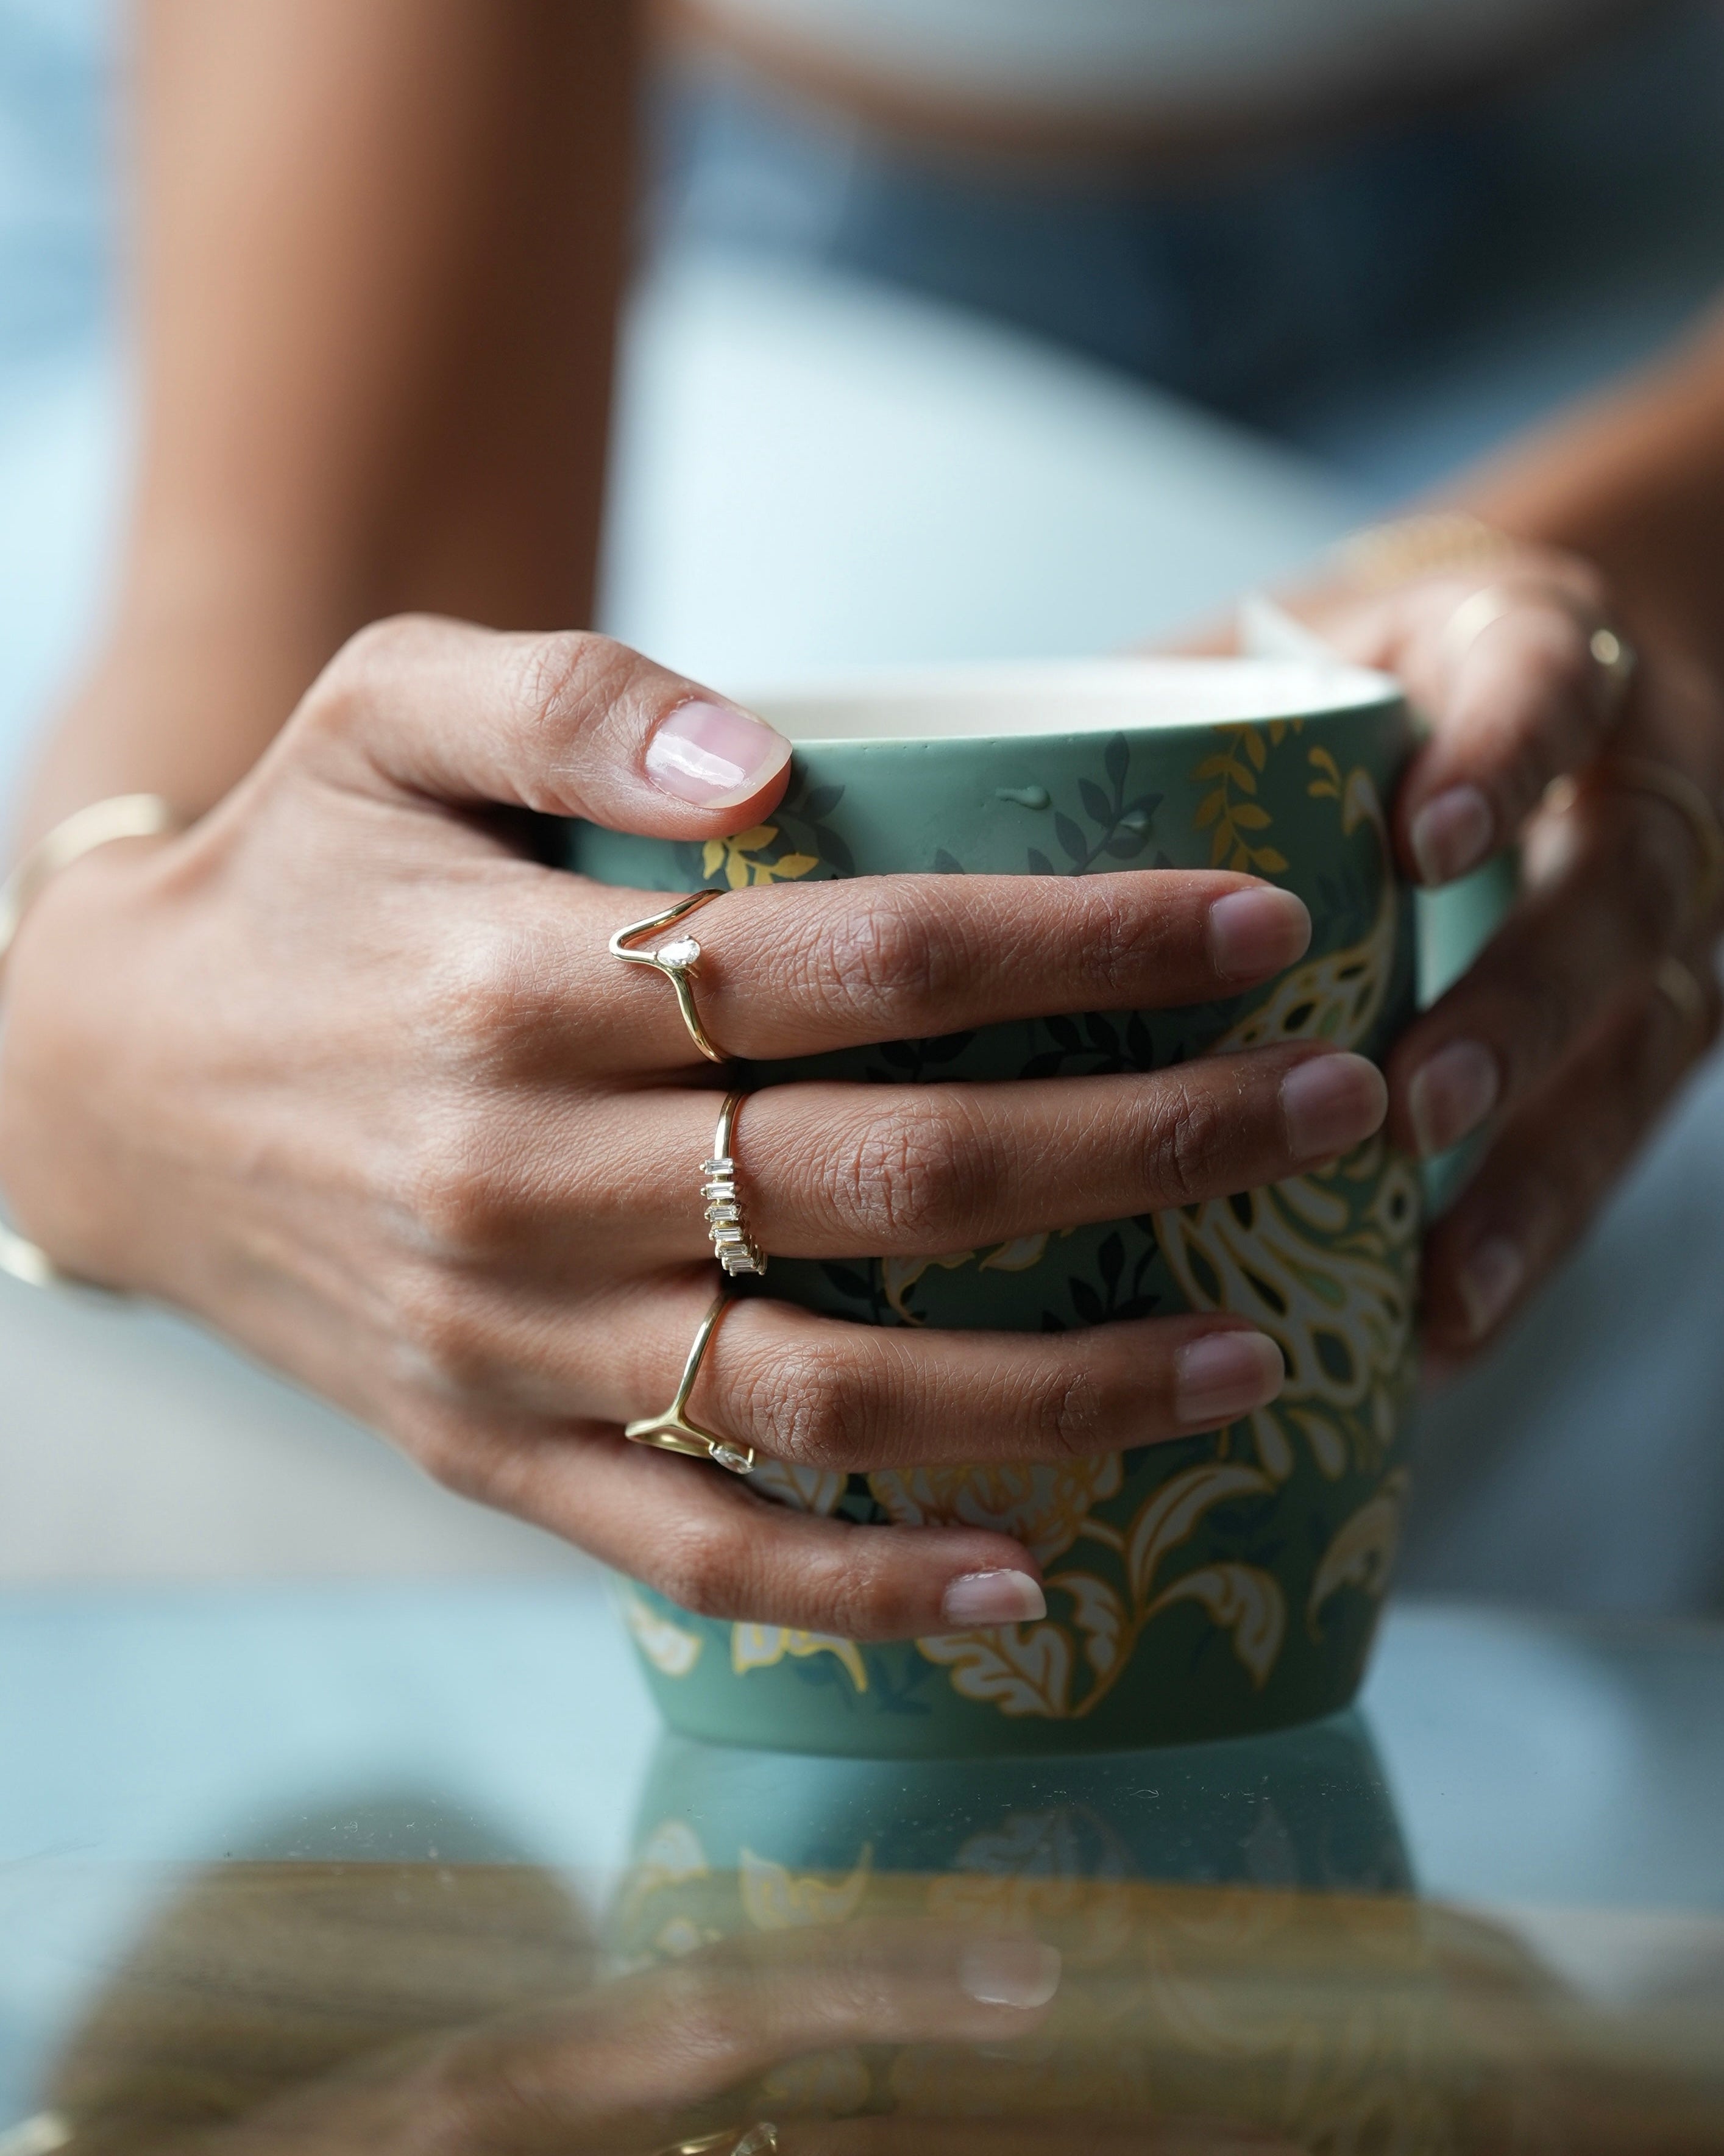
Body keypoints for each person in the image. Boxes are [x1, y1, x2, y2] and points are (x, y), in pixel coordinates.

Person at [0, 1, 1720, 1639]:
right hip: (678, 197)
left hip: (1606, 232)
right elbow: (333, 635)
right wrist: (86, 1024)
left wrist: (1635, 579)